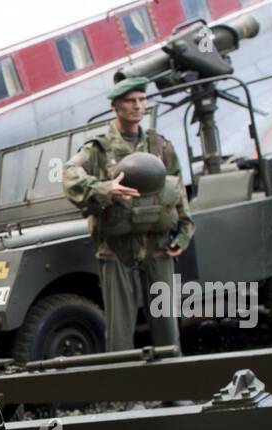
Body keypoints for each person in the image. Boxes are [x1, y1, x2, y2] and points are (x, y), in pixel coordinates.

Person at [62, 77, 195, 351]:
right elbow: (70, 176)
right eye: (130, 101)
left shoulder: (159, 146)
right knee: (119, 328)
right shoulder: (97, 149)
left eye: (142, 100)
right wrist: (104, 188)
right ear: (115, 106)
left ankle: (176, 388)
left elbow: (176, 187)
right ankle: (120, 391)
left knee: (167, 324)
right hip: (116, 247)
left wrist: (184, 232)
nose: (138, 106)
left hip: (157, 245)